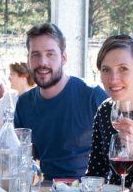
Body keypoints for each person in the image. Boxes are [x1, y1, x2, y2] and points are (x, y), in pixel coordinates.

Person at [14, 22, 106, 180]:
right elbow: (22, 157)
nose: (43, 62)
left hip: (90, 191)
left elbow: (119, 151)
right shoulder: (24, 104)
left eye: (50, 54)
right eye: (35, 55)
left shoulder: (93, 96)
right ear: (28, 60)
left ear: (63, 58)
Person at [84, 34, 133, 184]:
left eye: (123, 69)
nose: (113, 79)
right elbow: (95, 171)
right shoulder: (105, 110)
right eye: (106, 70)